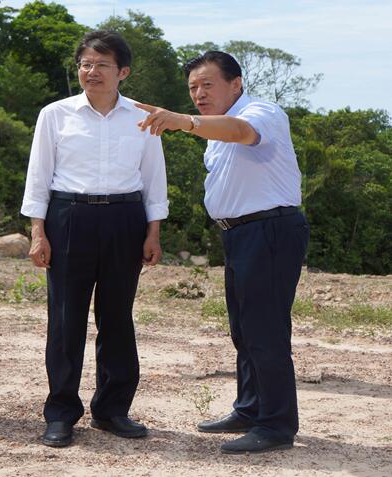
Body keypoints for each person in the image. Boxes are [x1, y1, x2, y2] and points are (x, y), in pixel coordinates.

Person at [136, 51, 309, 454]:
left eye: (207, 85)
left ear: (236, 83)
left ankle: (276, 425)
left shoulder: (262, 112)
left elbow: (241, 132)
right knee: (243, 329)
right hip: (239, 234)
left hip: (269, 229)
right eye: (192, 88)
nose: (198, 94)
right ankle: (250, 408)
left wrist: (185, 122)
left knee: (265, 330)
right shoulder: (215, 130)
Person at [21, 30, 168, 447]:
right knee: (65, 319)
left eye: (102, 64)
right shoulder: (55, 114)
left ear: (123, 72)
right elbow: (39, 174)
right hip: (69, 217)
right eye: (85, 64)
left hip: (125, 218)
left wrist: (153, 231)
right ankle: (61, 413)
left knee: (117, 317)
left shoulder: (143, 116)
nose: (92, 71)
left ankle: (112, 410)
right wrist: (38, 232)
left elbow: (153, 177)